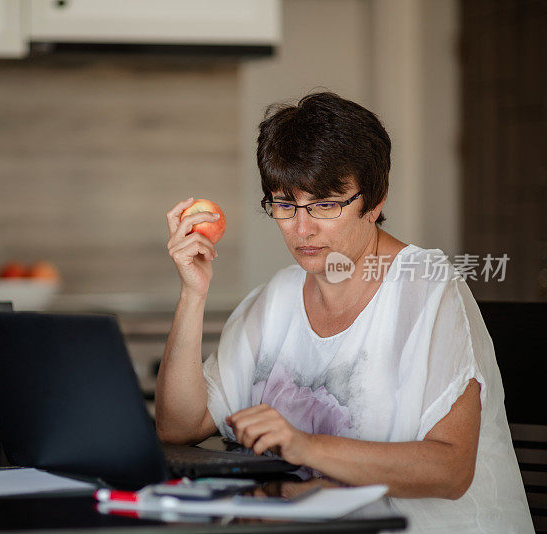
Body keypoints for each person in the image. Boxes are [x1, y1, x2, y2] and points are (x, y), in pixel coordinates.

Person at [155, 92, 533, 533]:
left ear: (374, 201)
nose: (303, 228)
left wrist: (306, 446)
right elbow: (178, 426)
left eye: (326, 204)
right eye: (284, 204)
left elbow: (450, 470)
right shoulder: (275, 300)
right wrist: (192, 294)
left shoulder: (428, 290)